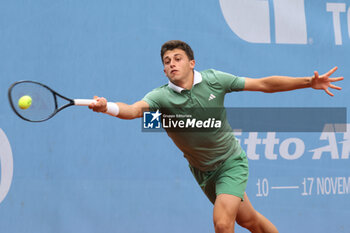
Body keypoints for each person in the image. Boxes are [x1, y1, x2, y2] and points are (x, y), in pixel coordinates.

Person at [89, 40, 343, 233]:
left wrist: (308, 81)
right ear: (164, 71)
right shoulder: (160, 97)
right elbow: (133, 111)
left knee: (223, 224)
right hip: (201, 170)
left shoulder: (215, 81)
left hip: (231, 163)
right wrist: (107, 107)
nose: (172, 64)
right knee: (249, 220)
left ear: (192, 63)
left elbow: (264, 84)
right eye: (167, 61)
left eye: (177, 58)